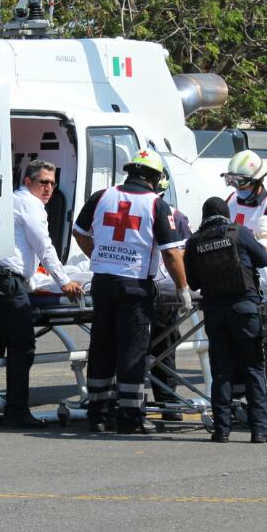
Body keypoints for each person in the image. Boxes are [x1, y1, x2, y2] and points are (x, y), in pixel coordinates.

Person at [73, 150, 188, 434]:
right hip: (135, 286)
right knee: (132, 351)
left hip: (103, 282)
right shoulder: (156, 205)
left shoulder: (102, 196)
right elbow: (172, 255)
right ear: (155, 177)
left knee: (101, 347)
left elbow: (79, 231)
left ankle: (98, 414)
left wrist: (99, 256)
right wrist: (183, 288)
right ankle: (130, 416)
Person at [0, 159, 82, 428]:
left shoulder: (7, 201)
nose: (49, 189)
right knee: (23, 347)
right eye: (43, 182)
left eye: (53, 184)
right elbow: (44, 246)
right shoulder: (30, 204)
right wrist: (64, 281)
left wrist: (34, 280)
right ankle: (17, 411)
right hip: (7, 283)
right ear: (28, 182)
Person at [185, 197, 267, 443]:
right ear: (225, 214)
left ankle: (221, 429)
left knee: (221, 371)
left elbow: (193, 283)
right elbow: (263, 260)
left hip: (215, 312)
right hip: (244, 309)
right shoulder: (239, 232)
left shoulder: (194, 242)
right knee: (253, 368)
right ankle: (260, 429)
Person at [220, 149, 267, 408]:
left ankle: (266, 402)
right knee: (234, 345)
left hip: (259, 286)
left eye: (242, 182)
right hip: (232, 282)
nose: (237, 187)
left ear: (258, 181)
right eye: (233, 181)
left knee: (264, 344)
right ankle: (237, 402)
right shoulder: (231, 201)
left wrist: (262, 242)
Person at [148, 178, 191, 423]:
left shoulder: (175, 217)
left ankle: (167, 399)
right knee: (159, 347)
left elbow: (182, 253)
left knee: (163, 345)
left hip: (160, 292)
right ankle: (166, 401)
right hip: (148, 288)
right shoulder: (169, 214)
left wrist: (182, 287)